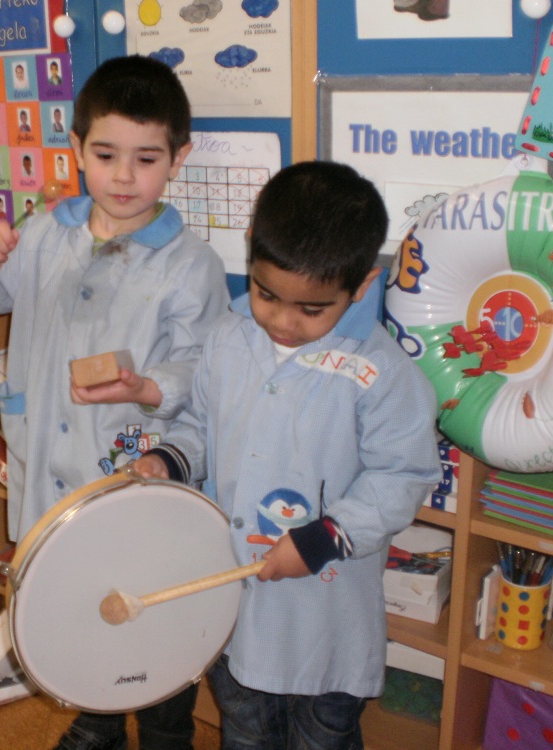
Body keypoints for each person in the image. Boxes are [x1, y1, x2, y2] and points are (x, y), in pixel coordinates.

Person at [0, 54, 230, 750]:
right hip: (47, 477)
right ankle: (96, 720)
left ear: (178, 159)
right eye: (105, 155)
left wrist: (147, 390)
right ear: (76, 148)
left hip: (136, 478)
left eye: (146, 159)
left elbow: (204, 376)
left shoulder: (191, 266)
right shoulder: (43, 236)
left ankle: (163, 733)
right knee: (71, 606)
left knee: (149, 613)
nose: (123, 177)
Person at [131, 161, 443, 750]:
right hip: (235, 612)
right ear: (251, 250)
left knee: (322, 738)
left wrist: (324, 537)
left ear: (361, 286)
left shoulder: (381, 372)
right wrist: (170, 460)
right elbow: (201, 426)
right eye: (266, 294)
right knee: (245, 731)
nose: (282, 320)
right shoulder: (227, 338)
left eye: (311, 309)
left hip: (326, 618)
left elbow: (402, 476)